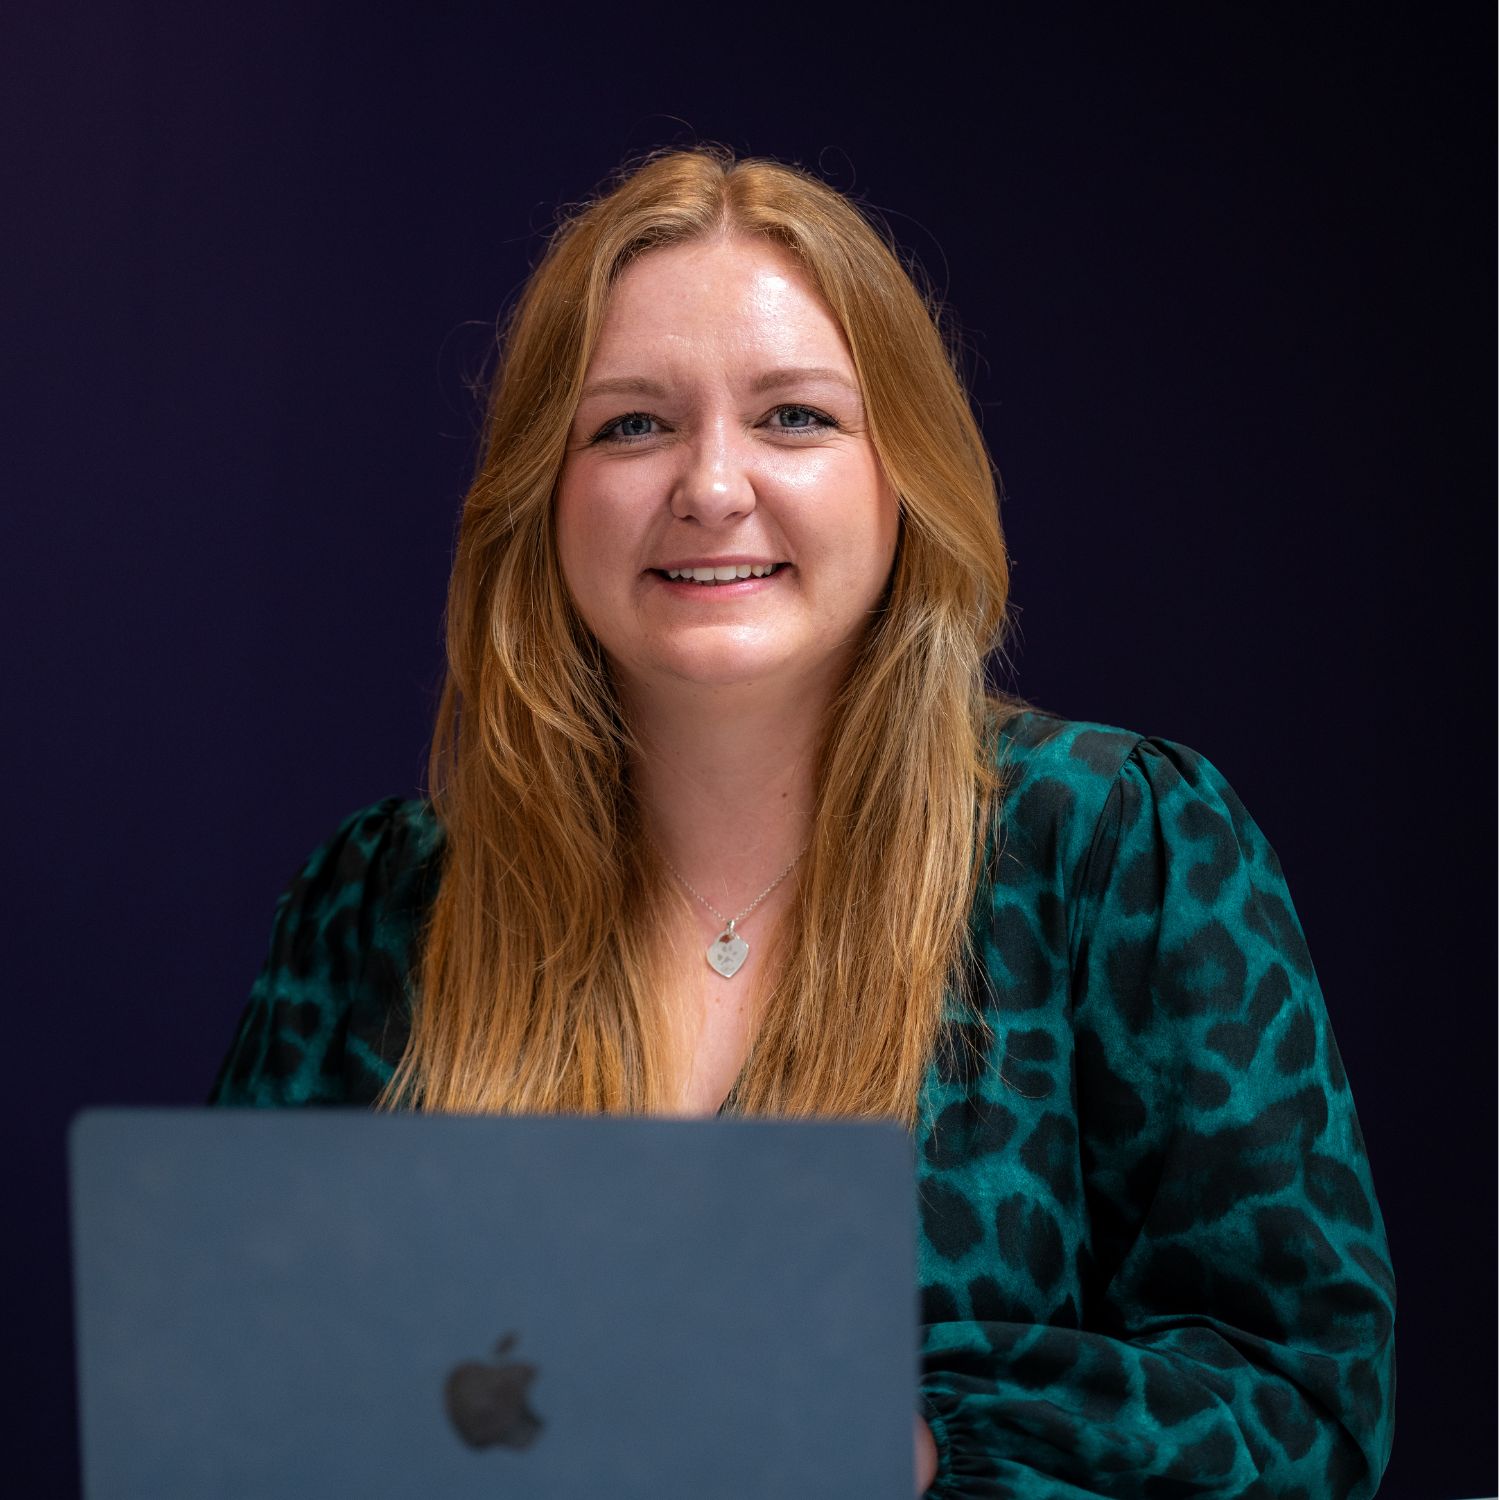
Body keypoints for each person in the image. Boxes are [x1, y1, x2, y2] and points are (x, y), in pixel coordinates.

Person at [210, 146, 1396, 1496]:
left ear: (905, 475)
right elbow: (234, 1400)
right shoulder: (378, 907)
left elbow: (1302, 1405)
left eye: (794, 418)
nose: (713, 487)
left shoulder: (1120, 849)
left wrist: (919, 1453)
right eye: (632, 425)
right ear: (544, 492)